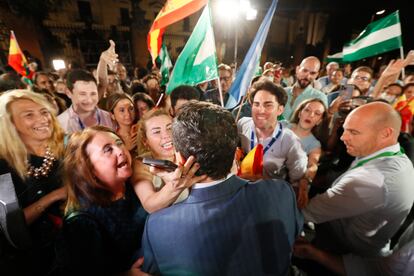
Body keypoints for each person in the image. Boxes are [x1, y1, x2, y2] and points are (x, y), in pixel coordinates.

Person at [141, 101, 303, 275]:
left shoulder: (158, 226)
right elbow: (295, 233)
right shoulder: (280, 192)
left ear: (180, 160)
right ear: (236, 153)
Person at [303, 102, 414, 257]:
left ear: (386, 134)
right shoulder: (396, 157)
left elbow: (307, 212)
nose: (343, 137)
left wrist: (302, 182)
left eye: (353, 132)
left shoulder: (371, 180)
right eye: (345, 129)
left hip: (344, 254)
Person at [57, 126, 147, 275]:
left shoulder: (134, 184)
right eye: (107, 150)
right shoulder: (81, 220)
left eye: (119, 143)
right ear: (88, 168)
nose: (120, 151)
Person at [0, 90, 67, 275]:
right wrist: (53, 197)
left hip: (71, 250)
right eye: (29, 115)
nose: (42, 119)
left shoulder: (64, 149)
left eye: (44, 111)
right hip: (30, 261)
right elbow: (11, 229)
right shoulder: (3, 167)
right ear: (10, 124)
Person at [238, 79, 308, 182]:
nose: (260, 111)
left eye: (268, 105)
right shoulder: (242, 124)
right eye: (256, 104)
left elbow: (297, 179)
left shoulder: (291, 142)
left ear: (280, 109)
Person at [132, 109, 194, 213]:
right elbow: (149, 205)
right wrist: (175, 185)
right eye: (156, 132)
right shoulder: (141, 163)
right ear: (145, 141)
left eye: (170, 128)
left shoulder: (187, 153)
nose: (166, 136)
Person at [289, 98, 327, 208]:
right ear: (300, 113)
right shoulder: (282, 126)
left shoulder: (315, 144)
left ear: (319, 120)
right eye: (307, 110)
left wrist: (305, 181)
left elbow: (312, 165)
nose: (310, 115)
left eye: (317, 113)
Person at [57, 69, 115, 134]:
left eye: (93, 94)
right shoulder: (59, 124)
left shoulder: (109, 118)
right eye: (83, 94)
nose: (89, 100)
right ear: (68, 93)